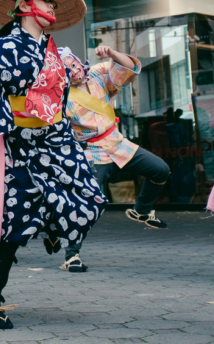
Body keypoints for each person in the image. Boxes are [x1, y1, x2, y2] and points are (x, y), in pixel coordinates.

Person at [0, 0, 107, 330]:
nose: (51, 7)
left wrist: (86, 70)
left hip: (55, 139)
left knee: (90, 197)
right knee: (14, 225)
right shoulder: (5, 47)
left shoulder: (58, 51)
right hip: (20, 144)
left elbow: (80, 78)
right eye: (44, 1)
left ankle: (53, 225)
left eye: (53, 2)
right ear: (24, 8)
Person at [60, 44, 169, 272]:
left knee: (160, 170)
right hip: (91, 151)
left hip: (118, 143)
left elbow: (129, 68)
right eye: (66, 69)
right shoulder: (59, 95)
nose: (73, 71)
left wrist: (111, 54)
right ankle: (72, 255)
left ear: (79, 61)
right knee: (87, 203)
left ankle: (141, 209)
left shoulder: (98, 73)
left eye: (73, 64)